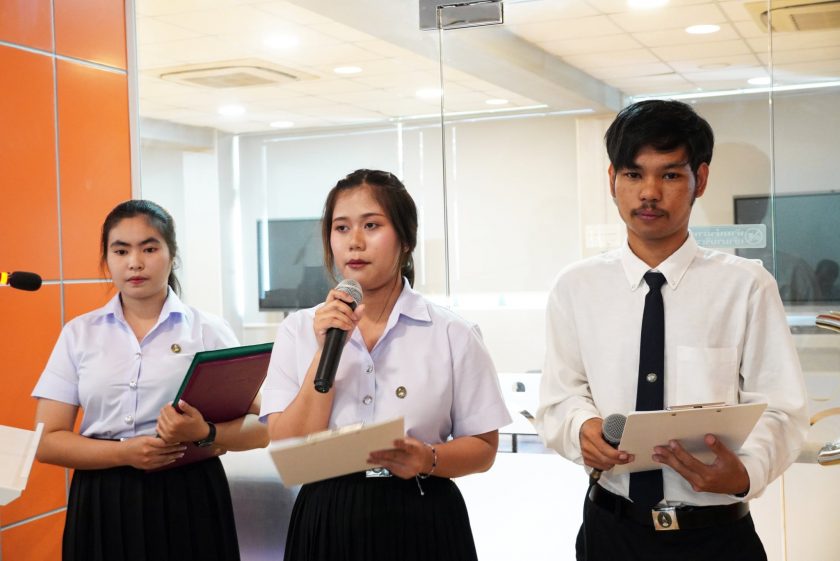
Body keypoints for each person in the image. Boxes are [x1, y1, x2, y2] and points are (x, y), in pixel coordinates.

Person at [536, 100, 808, 561]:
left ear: (701, 178)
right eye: (633, 174)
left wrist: (746, 472)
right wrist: (581, 427)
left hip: (716, 536)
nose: (649, 193)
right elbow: (560, 396)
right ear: (612, 179)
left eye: (670, 175)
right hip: (610, 531)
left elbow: (781, 408)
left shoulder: (745, 285)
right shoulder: (576, 287)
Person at [261, 169, 512, 561]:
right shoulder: (299, 330)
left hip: (422, 510)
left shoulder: (452, 332)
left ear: (406, 240)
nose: (355, 242)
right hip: (327, 513)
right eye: (341, 228)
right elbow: (287, 442)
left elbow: (484, 448)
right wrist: (325, 351)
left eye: (372, 225)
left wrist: (428, 458)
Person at [32, 200, 269, 561]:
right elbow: (47, 442)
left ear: (172, 255)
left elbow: (264, 427)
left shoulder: (207, 330)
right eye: (121, 250)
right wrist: (124, 453)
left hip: (190, 494)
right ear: (106, 259)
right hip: (102, 497)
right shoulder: (79, 334)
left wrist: (206, 432)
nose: (135, 262)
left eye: (149, 248)